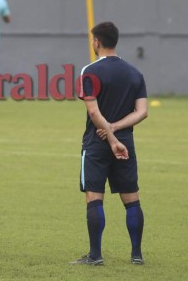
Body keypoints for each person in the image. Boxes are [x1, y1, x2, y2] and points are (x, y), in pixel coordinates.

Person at [71, 21, 148, 266]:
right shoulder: (134, 72)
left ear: (97, 42)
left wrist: (109, 134)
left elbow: (94, 113)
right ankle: (136, 254)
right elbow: (142, 112)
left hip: (97, 142)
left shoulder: (90, 71)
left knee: (94, 197)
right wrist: (116, 130)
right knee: (131, 198)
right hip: (126, 143)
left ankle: (95, 255)